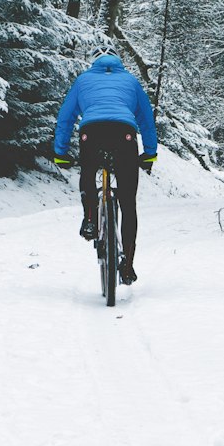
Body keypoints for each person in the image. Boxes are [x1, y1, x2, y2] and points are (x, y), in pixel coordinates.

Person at [53, 50, 158, 284]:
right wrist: (150, 153)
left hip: (92, 132)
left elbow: (66, 117)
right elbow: (146, 119)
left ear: (94, 64)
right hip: (124, 135)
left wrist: (60, 152)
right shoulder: (130, 80)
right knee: (128, 202)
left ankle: (90, 219)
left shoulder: (83, 80)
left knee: (89, 172)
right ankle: (128, 265)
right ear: (119, 64)